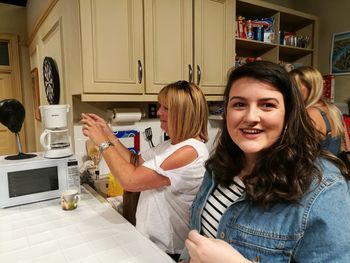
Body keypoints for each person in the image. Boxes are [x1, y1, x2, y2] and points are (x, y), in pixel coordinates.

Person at [180, 61, 350, 263]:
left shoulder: (323, 189)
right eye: (239, 104)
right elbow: (198, 236)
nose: (251, 117)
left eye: (267, 105)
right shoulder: (220, 164)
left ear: (288, 115)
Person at [81, 80, 209, 261]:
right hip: (151, 243)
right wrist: (108, 132)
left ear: (182, 114)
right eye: (159, 106)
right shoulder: (171, 145)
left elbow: (130, 181)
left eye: (166, 108)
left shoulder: (190, 151)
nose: (159, 112)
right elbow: (134, 162)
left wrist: (103, 142)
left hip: (169, 251)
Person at [290, 66, 350, 154]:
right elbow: (346, 146)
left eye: (295, 86)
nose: (291, 90)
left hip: (315, 167)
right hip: (334, 166)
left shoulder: (309, 114)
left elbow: (299, 154)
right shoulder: (334, 109)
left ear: (311, 87)